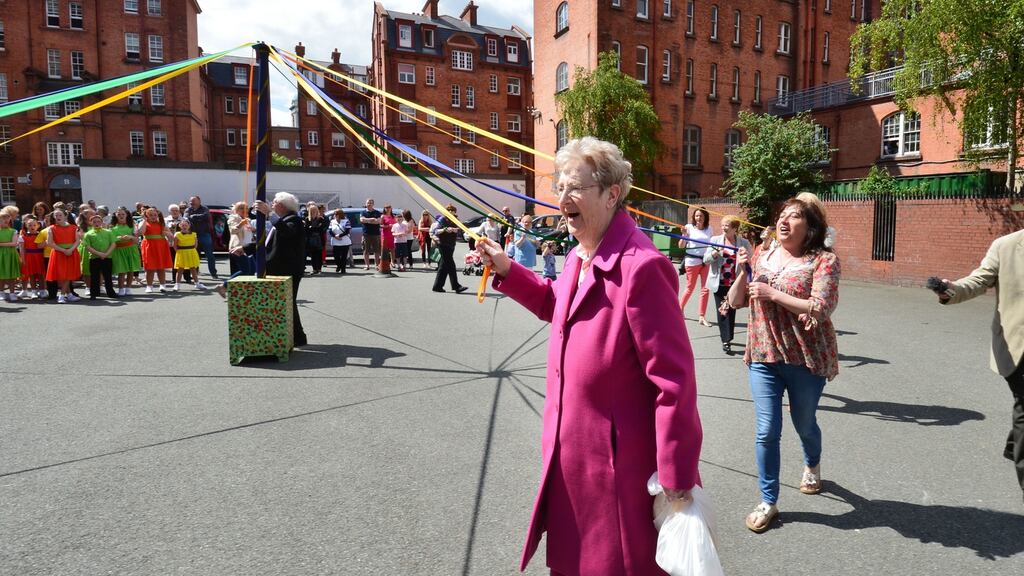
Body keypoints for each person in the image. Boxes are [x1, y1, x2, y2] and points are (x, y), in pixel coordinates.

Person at [475, 137, 703, 575]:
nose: (563, 198)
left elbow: (673, 382)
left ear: (611, 194)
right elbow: (553, 305)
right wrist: (507, 268)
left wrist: (676, 477)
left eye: (574, 188)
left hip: (615, 470)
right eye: (560, 187)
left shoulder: (642, 267)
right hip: (570, 455)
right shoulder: (579, 256)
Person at [728, 193, 841, 533]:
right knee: (767, 430)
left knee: (804, 423)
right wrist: (741, 273)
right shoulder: (763, 254)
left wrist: (772, 293)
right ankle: (768, 500)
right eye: (782, 215)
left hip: (805, 357)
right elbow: (736, 301)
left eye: (794, 217)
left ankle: (812, 463)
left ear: (810, 229)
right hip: (763, 354)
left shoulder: (823, 260)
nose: (784, 221)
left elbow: (821, 307)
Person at [936, 227, 1024, 504]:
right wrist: (952, 290)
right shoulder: (1007, 246)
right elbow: (978, 281)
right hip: (1018, 346)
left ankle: (1016, 443)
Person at [254, 192, 308, 347]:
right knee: (288, 302)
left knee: (289, 302)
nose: (272, 204)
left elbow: (286, 231)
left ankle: (299, 336)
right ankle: (297, 336)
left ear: (283, 205)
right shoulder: (282, 220)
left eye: (275, 202)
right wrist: (244, 248)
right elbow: (269, 244)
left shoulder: (294, 220)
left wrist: (269, 214)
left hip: (288, 268)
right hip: (279, 267)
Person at [706, 215, 752, 355]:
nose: (724, 228)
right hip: (719, 282)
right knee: (723, 311)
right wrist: (714, 254)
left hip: (735, 283)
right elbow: (706, 259)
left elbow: (750, 261)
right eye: (722, 225)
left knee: (731, 310)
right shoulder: (715, 240)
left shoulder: (743, 243)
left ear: (734, 228)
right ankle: (726, 340)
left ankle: (728, 337)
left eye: (727, 225)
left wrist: (745, 257)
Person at [678, 207, 713, 326]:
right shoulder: (688, 227)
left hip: (706, 261)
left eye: (701, 216)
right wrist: (683, 235)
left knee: (705, 289)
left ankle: (702, 316)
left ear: (705, 217)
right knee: (690, 287)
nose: (699, 218)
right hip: (692, 261)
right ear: (694, 217)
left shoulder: (709, 229)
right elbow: (681, 246)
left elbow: (710, 245)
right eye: (697, 216)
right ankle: (679, 309)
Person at [44, 209, 81, 303]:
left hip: (71, 252)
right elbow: (50, 243)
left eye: (60, 215)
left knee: (68, 274)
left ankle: (65, 295)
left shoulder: (73, 227)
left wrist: (70, 250)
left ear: (65, 216)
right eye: (56, 215)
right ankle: (65, 295)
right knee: (63, 275)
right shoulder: (51, 228)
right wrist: (64, 250)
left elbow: (77, 241)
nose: (58, 217)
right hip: (58, 253)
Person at [431, 205, 468, 294]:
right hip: (443, 245)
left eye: (452, 210)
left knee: (443, 267)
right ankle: (456, 286)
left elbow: (460, 230)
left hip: (451, 245)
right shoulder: (443, 219)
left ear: (455, 212)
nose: (451, 211)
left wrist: (456, 230)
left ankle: (437, 286)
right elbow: (436, 231)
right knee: (451, 265)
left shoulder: (456, 220)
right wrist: (445, 229)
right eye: (449, 210)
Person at [81, 214, 118, 299]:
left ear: (101, 222)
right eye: (94, 222)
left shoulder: (108, 232)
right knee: (94, 277)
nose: (96, 223)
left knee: (108, 276)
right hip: (94, 258)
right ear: (91, 223)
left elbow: (113, 243)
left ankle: (111, 293)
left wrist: (106, 254)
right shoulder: (88, 234)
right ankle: (94, 293)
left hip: (107, 257)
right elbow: (87, 247)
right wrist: (99, 254)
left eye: (98, 221)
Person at [136, 207, 173, 294]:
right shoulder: (144, 223)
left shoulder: (161, 223)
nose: (153, 217)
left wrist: (166, 233)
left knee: (161, 267)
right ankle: (149, 286)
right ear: (146, 216)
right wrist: (144, 220)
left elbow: (171, 235)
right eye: (150, 215)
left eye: (155, 215)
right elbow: (140, 232)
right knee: (150, 268)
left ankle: (162, 285)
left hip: (161, 246)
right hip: (149, 246)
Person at [184, 195, 218, 279]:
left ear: (199, 201)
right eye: (191, 201)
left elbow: (206, 216)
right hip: (193, 235)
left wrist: (194, 217)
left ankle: (213, 273)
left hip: (204, 234)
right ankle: (195, 273)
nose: (192, 203)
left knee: (209, 254)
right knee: (195, 255)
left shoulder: (204, 208)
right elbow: (186, 218)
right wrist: (198, 217)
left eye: (194, 201)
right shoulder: (188, 209)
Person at [110, 207, 141, 297]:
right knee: (121, 271)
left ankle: (128, 288)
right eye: (119, 214)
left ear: (127, 215)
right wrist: (118, 238)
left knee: (131, 270)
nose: (121, 216)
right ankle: (121, 288)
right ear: (116, 216)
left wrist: (130, 237)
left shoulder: (132, 225)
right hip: (119, 250)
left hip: (131, 249)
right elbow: (111, 240)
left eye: (123, 214)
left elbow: (136, 240)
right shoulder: (112, 227)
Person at [172, 219, 207, 291]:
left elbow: (196, 245)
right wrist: (179, 252)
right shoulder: (177, 234)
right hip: (181, 253)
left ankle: (197, 284)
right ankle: (177, 285)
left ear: (189, 226)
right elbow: (174, 246)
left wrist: (192, 251)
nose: (184, 226)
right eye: (182, 225)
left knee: (193, 269)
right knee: (180, 269)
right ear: (180, 226)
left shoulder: (194, 234)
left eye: (186, 225)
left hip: (191, 252)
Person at [19, 217, 46, 299]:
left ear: (38, 225)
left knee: (41, 274)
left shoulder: (41, 235)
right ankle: (34, 291)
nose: (32, 226)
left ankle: (42, 291)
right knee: (32, 275)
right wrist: (23, 259)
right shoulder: (23, 236)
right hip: (29, 257)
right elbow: (22, 249)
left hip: (40, 256)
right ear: (26, 226)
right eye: (30, 225)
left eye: (34, 225)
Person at [227, 202, 254, 276]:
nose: (244, 210)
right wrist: (240, 224)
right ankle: (225, 285)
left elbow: (250, 233)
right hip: (238, 248)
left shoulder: (247, 220)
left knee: (252, 270)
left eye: (246, 208)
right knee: (245, 270)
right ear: (236, 210)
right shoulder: (234, 217)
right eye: (241, 208)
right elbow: (233, 230)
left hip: (247, 248)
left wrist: (253, 230)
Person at [0, 210, 20, 301]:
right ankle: (1, 292)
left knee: (12, 275)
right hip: (1, 255)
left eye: (7, 219)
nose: (5, 220)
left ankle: (12, 293)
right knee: (1, 275)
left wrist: (1, 244)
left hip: (11, 255)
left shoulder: (13, 231)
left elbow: (14, 243)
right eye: (2, 219)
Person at [360, 198, 382, 270]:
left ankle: (377, 265)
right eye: (368, 203)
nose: (369, 204)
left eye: (371, 203)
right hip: (366, 234)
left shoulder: (377, 212)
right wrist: (372, 219)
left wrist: (367, 220)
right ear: (366, 204)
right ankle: (367, 265)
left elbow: (378, 221)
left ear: (373, 204)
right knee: (366, 251)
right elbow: (362, 220)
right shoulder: (363, 212)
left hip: (376, 234)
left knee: (376, 251)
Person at [328, 209, 352, 274]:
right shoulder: (332, 221)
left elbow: (347, 231)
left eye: (336, 214)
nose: (334, 215)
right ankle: (339, 265)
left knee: (344, 256)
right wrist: (335, 236)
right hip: (335, 241)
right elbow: (330, 231)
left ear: (340, 214)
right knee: (336, 256)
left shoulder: (346, 221)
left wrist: (340, 235)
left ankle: (343, 269)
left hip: (344, 241)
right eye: (334, 214)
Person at [305, 204, 327, 275]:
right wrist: (314, 228)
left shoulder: (321, 219)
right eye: (312, 210)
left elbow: (322, 229)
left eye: (315, 210)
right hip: (311, 239)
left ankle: (319, 269)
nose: (314, 211)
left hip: (319, 239)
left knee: (319, 255)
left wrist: (312, 228)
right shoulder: (307, 219)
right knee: (313, 256)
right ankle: (314, 269)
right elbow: (307, 229)